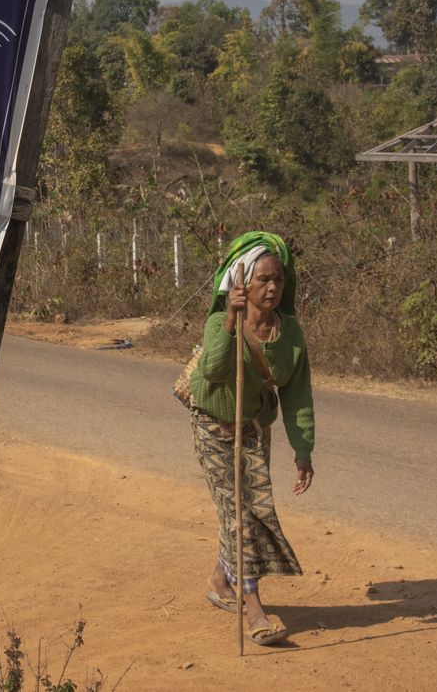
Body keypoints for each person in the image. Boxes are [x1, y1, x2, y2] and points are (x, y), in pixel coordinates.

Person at [187, 231, 314, 647]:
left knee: (251, 506)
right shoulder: (219, 323)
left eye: (278, 279)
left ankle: (220, 579)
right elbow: (214, 373)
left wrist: (303, 449)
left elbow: (297, 394)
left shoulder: (290, 334)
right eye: (263, 280)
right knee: (239, 512)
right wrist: (228, 322)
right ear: (241, 284)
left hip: (255, 428)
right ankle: (254, 606)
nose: (273, 287)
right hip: (214, 425)